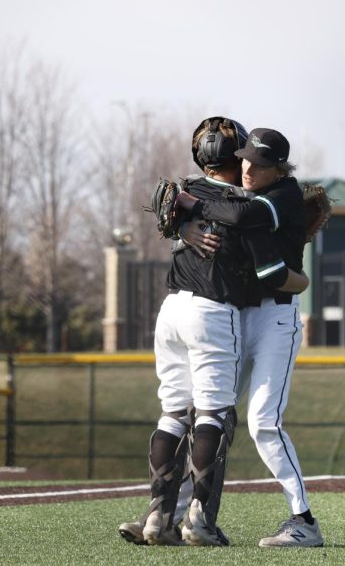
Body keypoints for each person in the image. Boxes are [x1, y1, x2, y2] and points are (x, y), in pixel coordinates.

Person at [118, 118, 308, 547]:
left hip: (170, 310)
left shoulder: (186, 192)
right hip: (212, 311)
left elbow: (169, 210)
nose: (247, 168)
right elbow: (269, 267)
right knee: (212, 415)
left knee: (172, 413)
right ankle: (199, 521)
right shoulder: (249, 207)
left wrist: (182, 226)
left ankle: (156, 518)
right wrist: (302, 280)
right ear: (236, 154)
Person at [176, 128, 325, 548]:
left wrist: (193, 202)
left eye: (258, 164)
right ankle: (181, 510)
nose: (246, 168)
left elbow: (240, 220)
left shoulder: (284, 196)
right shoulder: (245, 193)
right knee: (213, 411)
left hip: (276, 321)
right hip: (240, 316)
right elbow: (213, 220)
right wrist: (182, 225)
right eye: (244, 159)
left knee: (264, 422)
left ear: (278, 169)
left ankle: (304, 521)